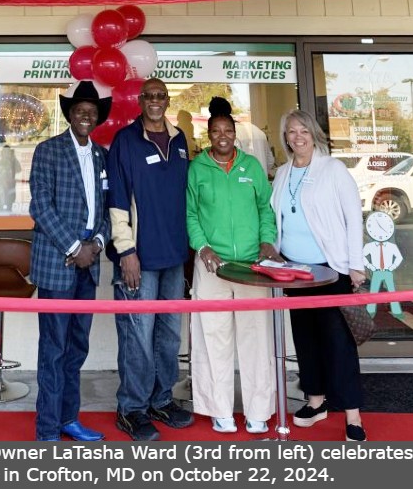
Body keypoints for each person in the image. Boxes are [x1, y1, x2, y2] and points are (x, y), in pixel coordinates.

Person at [270, 109, 368, 442]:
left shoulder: (333, 169)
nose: (297, 137)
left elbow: (353, 218)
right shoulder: (283, 172)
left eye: (303, 131)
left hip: (330, 270)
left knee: (338, 342)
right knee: (306, 339)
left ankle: (352, 414)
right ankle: (315, 401)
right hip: (295, 271)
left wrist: (355, 264)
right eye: (291, 132)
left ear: (315, 135)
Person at [186, 97, 281, 434]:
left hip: (251, 267)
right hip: (213, 267)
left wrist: (267, 241)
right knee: (214, 338)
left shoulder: (252, 166)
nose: (222, 136)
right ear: (208, 135)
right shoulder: (198, 169)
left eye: (227, 130)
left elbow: (265, 210)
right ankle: (219, 408)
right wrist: (203, 247)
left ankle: (259, 409)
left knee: (256, 339)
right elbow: (191, 214)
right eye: (216, 131)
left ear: (234, 134)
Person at [107, 77, 194, 441]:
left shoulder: (180, 141)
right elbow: (116, 200)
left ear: (166, 100)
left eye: (161, 96)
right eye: (150, 96)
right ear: (140, 101)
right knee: (137, 336)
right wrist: (126, 250)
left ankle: (161, 399)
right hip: (139, 258)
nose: (156, 101)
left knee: (169, 336)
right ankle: (131, 408)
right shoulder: (125, 141)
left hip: (174, 256)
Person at [28, 80, 112, 442]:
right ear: (70, 113)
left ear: (97, 118)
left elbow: (108, 209)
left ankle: (68, 419)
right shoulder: (48, 151)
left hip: (88, 266)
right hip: (57, 266)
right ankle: (47, 429)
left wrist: (95, 243)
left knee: (77, 347)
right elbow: (40, 207)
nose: (86, 115)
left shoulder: (101, 156)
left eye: (92, 111)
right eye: (80, 109)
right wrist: (74, 247)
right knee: (53, 349)